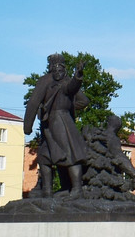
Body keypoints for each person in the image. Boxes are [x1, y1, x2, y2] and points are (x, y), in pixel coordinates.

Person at [24, 53, 90, 197]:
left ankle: (76, 189)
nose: (57, 71)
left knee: (69, 154)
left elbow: (33, 102)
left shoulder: (48, 80)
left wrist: (27, 126)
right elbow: (83, 101)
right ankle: (47, 191)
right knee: (44, 156)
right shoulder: (58, 80)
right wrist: (69, 106)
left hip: (59, 123)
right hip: (51, 125)